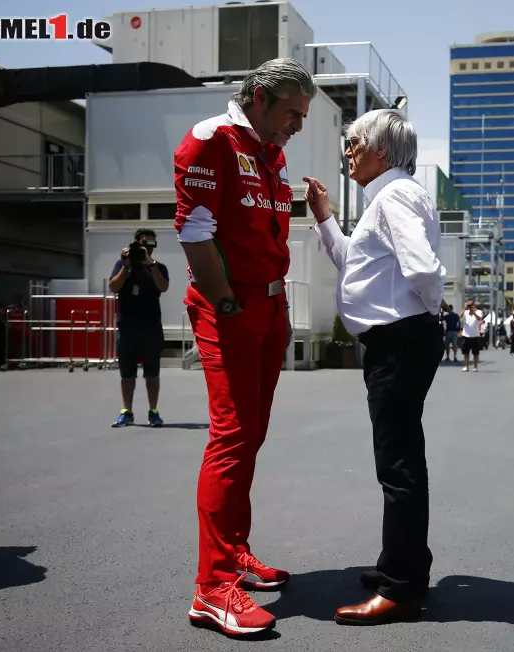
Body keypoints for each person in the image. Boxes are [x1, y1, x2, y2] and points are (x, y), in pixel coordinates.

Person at [174, 58, 313, 637]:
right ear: (259, 96)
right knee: (231, 436)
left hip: (269, 309)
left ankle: (234, 552)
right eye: (291, 112)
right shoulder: (211, 141)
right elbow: (195, 231)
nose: (297, 126)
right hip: (229, 308)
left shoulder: (270, 151)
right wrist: (228, 303)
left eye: (303, 116)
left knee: (251, 434)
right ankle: (211, 588)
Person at [304, 108, 446, 626]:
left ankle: (402, 588)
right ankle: (401, 566)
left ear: (381, 151)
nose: (348, 152)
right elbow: (352, 263)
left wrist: (427, 313)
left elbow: (425, 269)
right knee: (402, 460)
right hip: (399, 339)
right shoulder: (386, 197)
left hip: (399, 341)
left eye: (355, 143)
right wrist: (324, 216)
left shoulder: (394, 196)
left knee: (399, 466)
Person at [108, 228, 170, 427]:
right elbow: (113, 287)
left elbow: (163, 287)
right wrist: (127, 267)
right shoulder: (123, 265)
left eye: (151, 245)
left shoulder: (158, 267)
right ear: (135, 244)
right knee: (127, 373)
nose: (147, 249)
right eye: (143, 245)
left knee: (152, 372)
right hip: (127, 327)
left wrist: (149, 264)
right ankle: (127, 411)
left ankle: (153, 411)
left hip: (151, 327)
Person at [461, 300, 484, 372]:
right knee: (466, 352)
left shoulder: (478, 312)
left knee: (476, 353)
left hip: (475, 335)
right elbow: (459, 316)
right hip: (466, 335)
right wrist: (464, 309)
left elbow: (479, 319)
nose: (470, 307)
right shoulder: (466, 312)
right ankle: (466, 366)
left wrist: (473, 312)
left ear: (474, 305)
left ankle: (475, 366)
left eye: (471, 305)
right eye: (469, 305)